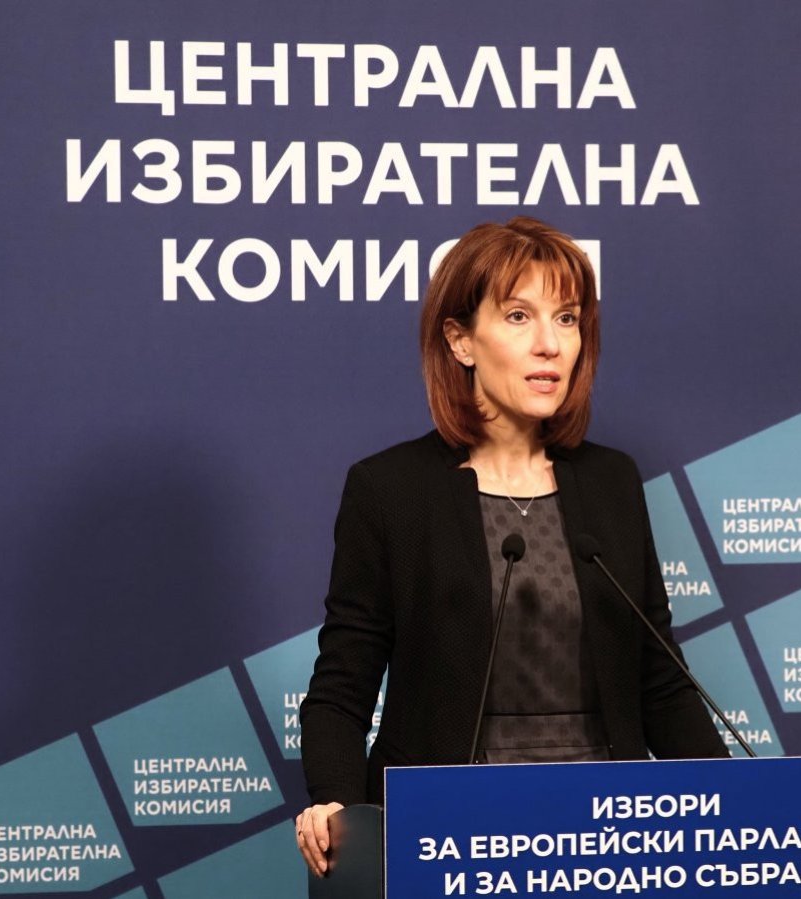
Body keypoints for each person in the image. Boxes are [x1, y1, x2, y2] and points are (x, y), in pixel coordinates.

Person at [293, 216, 729, 877]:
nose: (550, 344)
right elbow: (341, 686)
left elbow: (660, 681)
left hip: (605, 838)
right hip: (445, 836)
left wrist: (735, 804)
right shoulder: (391, 489)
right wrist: (336, 802)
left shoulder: (611, 481)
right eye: (520, 316)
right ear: (461, 339)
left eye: (568, 318)